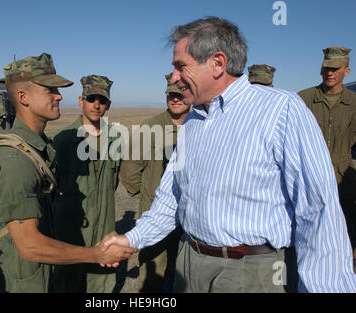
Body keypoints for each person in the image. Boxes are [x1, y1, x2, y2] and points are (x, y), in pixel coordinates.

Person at [101, 17, 356, 293]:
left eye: (180, 66)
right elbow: (171, 198)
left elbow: (318, 213)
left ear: (218, 63)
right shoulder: (193, 120)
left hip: (252, 273)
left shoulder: (281, 111)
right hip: (189, 264)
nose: (174, 78)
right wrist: (131, 239)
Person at [0, 54, 136, 293]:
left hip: (45, 273)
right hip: (25, 281)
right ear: (23, 97)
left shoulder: (38, 149)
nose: (59, 96)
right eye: (50, 90)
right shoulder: (17, 159)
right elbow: (30, 246)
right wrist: (94, 254)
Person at [52, 74, 123, 292]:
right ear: (81, 100)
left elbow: (114, 180)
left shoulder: (115, 139)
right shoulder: (63, 139)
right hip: (72, 229)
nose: (96, 104)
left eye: (102, 100)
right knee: (68, 282)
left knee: (101, 282)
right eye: (91, 98)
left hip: (104, 226)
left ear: (108, 105)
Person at [119, 73, 190, 292]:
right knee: (152, 278)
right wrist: (149, 197)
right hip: (155, 215)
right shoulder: (149, 128)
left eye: (180, 94)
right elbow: (129, 172)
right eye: (171, 95)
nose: (175, 99)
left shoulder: (200, 126)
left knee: (185, 276)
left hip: (189, 219)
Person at [298, 47, 356, 271]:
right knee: (309, 238)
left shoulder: (353, 102)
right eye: (325, 69)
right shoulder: (303, 99)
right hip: (310, 182)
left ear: (346, 71)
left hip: (345, 184)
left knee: (345, 236)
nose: (329, 73)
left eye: (334, 69)